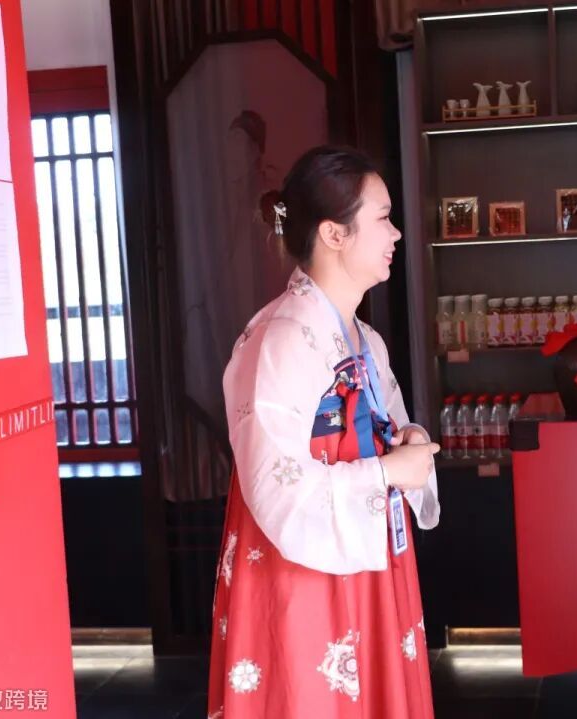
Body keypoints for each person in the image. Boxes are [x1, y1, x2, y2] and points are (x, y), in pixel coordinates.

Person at [206, 145, 441, 718]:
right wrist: (384, 472)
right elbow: (277, 485)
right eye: (383, 217)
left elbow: (386, 423)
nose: (396, 234)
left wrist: (405, 440)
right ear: (335, 234)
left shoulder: (365, 339)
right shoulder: (283, 338)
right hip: (303, 569)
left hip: (364, 553)